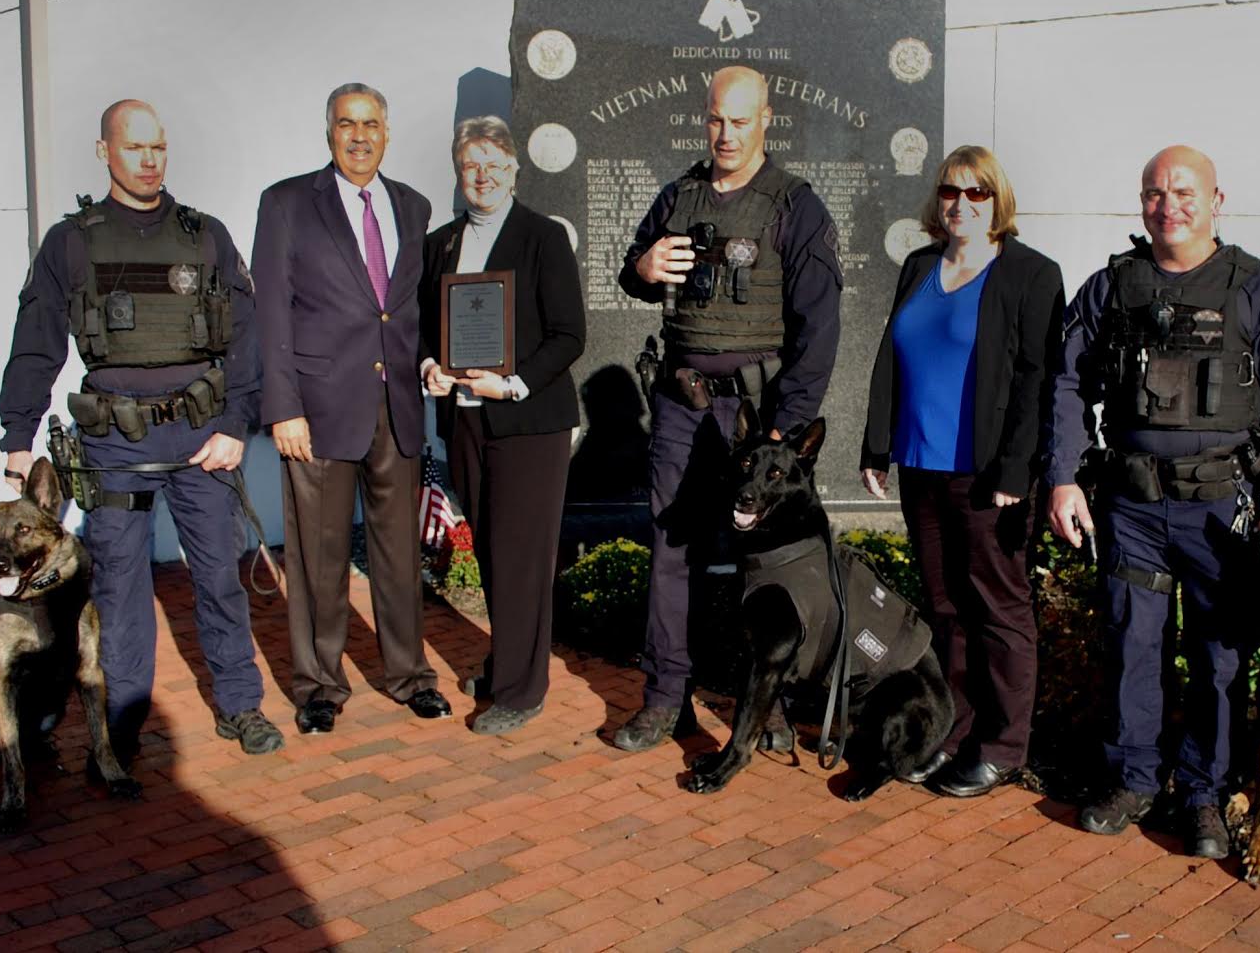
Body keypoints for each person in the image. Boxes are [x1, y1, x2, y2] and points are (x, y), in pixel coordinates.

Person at [1047, 144, 1260, 859]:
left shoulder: (1257, 293)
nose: (1166, 205)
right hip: (1131, 507)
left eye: (1182, 191)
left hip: (1220, 513)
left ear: (1216, 200)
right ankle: (1132, 778)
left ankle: (1203, 795)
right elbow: (1067, 384)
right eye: (1152, 192)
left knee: (1221, 660)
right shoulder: (1112, 287)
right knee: (1131, 647)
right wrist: (1063, 475)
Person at [0, 99, 283, 760]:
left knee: (217, 576)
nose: (149, 161)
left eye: (158, 148)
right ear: (105, 153)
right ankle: (121, 718)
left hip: (201, 436)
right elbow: (36, 336)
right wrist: (19, 435)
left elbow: (245, 337)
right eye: (133, 148)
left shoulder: (205, 235)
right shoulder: (73, 241)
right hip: (113, 444)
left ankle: (240, 705)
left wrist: (238, 423)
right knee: (119, 582)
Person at [613, 66, 843, 752]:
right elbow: (636, 270)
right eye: (717, 119)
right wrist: (642, 269)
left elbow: (819, 328)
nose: (726, 133)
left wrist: (783, 427)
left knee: (761, 562)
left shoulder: (795, 206)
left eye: (741, 121)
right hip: (683, 405)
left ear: (766, 120)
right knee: (671, 548)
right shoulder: (679, 193)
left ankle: (764, 704)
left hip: (756, 413)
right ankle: (663, 697)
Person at [860, 145, 1063, 798]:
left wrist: (1016, 467)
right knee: (946, 610)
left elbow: (1038, 380)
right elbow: (893, 357)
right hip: (921, 466)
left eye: (977, 194)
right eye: (951, 191)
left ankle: (1004, 746)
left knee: (999, 610)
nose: (962, 205)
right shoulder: (920, 265)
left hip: (986, 476)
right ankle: (954, 731)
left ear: (997, 201)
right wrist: (877, 446)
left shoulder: (1030, 274)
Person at [251, 82, 451, 735]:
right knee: (319, 557)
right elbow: (271, 312)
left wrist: (427, 361)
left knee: (398, 553)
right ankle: (318, 686)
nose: (359, 135)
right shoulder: (286, 204)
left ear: (386, 132)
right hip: (317, 409)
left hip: (397, 407)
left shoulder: (413, 207)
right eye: (346, 123)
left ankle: (409, 675)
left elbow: (408, 310)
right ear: (328, 131)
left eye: (371, 124)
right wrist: (283, 407)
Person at [419, 116, 586, 736]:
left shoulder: (543, 237)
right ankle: (507, 660)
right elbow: (425, 328)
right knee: (489, 548)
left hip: (528, 422)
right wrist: (432, 366)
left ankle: (521, 689)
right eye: (470, 165)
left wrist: (512, 383)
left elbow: (570, 334)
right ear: (458, 172)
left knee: (521, 556)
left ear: (515, 168)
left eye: (493, 163)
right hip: (464, 420)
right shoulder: (441, 243)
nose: (481, 175)